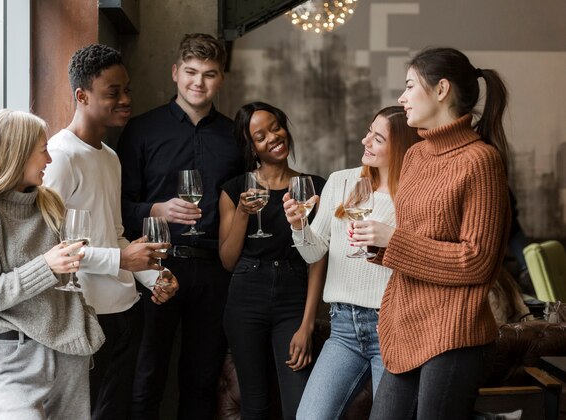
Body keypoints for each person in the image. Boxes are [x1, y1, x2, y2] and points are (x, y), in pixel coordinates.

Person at [349, 47, 511, 420]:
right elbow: (412, 236)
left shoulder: (480, 160)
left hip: (453, 332)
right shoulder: (417, 156)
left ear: (441, 90)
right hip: (404, 325)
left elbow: (477, 262)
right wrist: (378, 244)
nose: (402, 98)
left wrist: (394, 240)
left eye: (409, 86)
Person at [43, 44, 178, 420]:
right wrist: (122, 258)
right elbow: (51, 249)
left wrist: (153, 278)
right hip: (82, 316)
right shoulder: (59, 156)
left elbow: (114, 234)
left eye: (127, 89)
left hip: (125, 311)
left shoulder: (110, 156)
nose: (125, 99)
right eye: (113, 92)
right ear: (81, 96)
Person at [116, 33, 245, 419]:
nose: (198, 82)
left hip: (213, 270)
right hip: (155, 266)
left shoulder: (234, 137)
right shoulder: (141, 130)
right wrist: (156, 209)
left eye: (209, 74)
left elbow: (242, 206)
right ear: (175, 72)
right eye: (190, 72)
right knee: (146, 376)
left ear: (221, 78)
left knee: (202, 380)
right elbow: (117, 208)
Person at [282, 106, 420, 419]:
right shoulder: (341, 181)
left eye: (378, 138)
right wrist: (299, 226)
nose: (365, 140)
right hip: (343, 327)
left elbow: (415, 260)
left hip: (391, 327)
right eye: (369, 132)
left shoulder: (414, 199)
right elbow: (314, 253)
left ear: (400, 148)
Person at [0, 109, 105, 419]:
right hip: (11, 356)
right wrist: (45, 266)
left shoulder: (48, 201)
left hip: (68, 351)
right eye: (43, 150)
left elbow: (67, 284)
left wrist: (83, 325)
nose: (49, 160)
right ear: (15, 153)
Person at [219, 102, 327, 419]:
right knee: (255, 405)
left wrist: (308, 325)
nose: (273, 137)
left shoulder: (314, 187)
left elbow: (318, 259)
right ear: (251, 147)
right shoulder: (235, 189)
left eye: (276, 126)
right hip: (245, 295)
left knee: (299, 406)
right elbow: (227, 261)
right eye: (260, 135)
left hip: (294, 295)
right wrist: (242, 213)